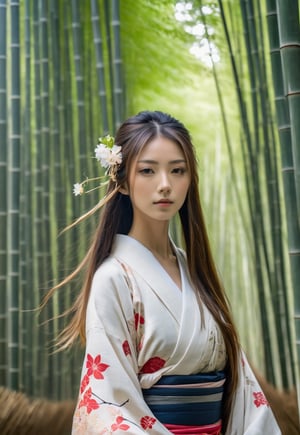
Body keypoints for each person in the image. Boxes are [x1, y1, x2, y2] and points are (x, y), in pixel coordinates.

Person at [49, 111, 281, 434]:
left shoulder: (196, 271)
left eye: (177, 170)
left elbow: (243, 392)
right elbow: (108, 405)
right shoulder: (113, 279)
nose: (165, 185)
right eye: (147, 170)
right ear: (123, 183)